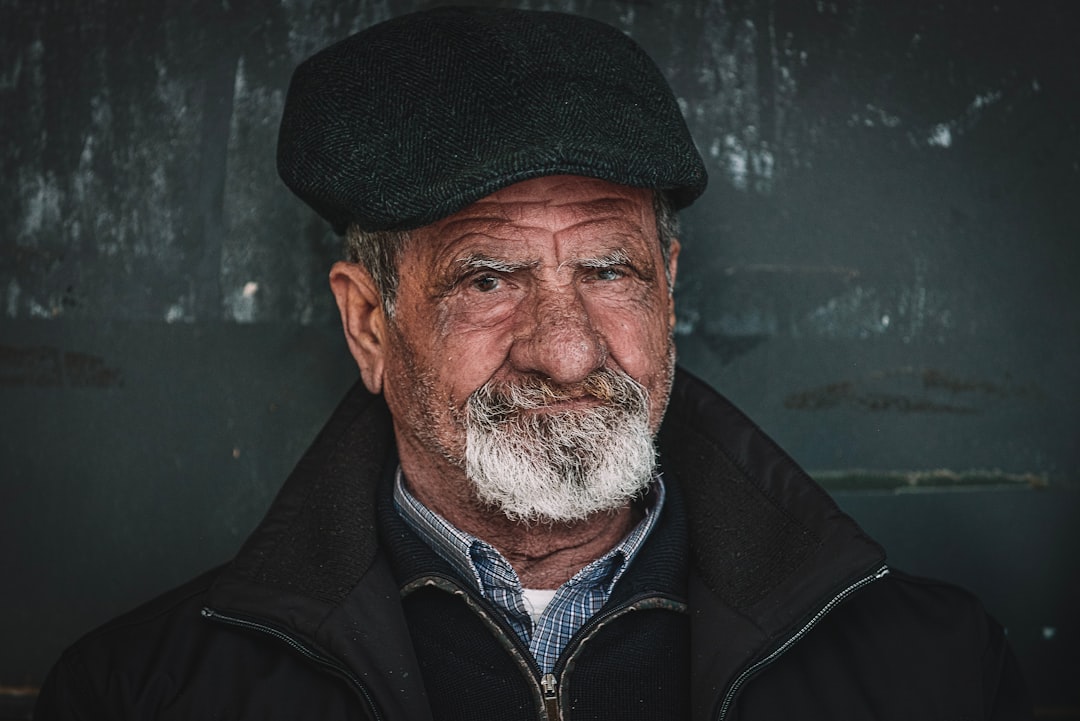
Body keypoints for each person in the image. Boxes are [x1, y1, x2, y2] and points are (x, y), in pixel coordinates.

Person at [35, 7, 1030, 720]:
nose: (566, 349)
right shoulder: (142, 693)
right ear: (368, 323)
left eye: (608, 268)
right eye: (486, 279)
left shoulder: (932, 671)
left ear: (669, 288)